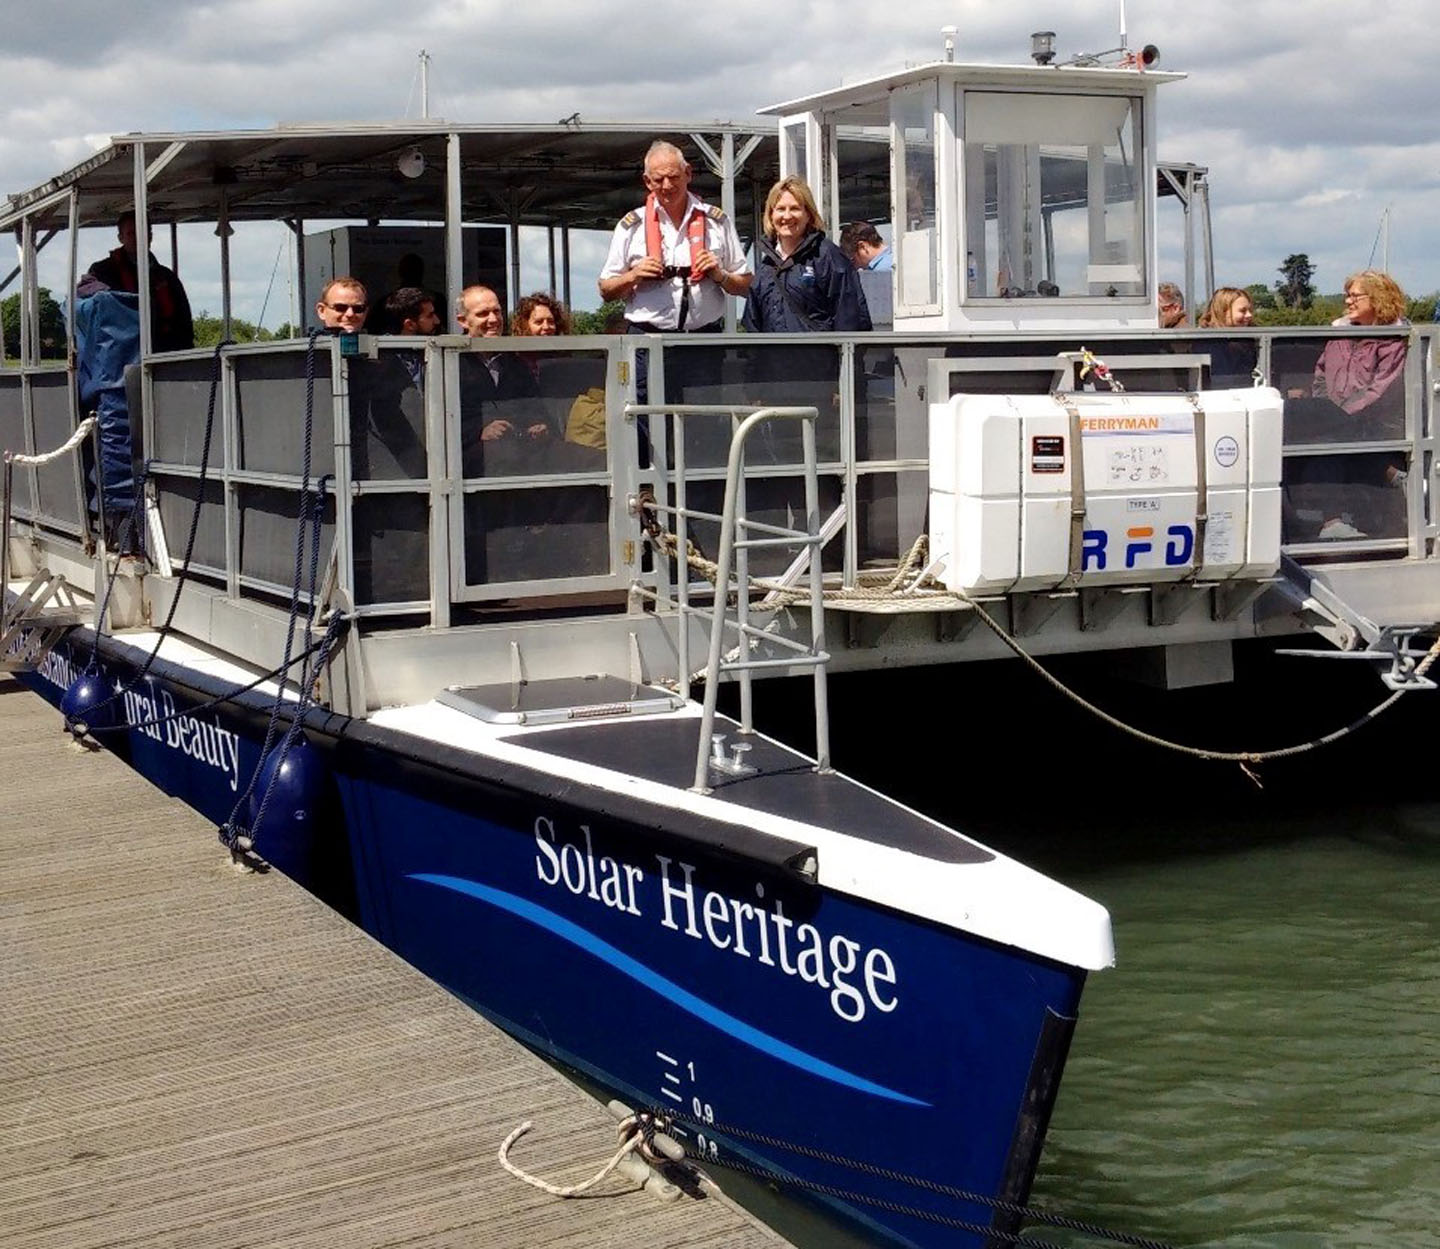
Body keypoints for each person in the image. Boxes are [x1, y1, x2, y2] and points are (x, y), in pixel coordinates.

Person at [1291, 270, 1410, 541]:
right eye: (1348, 295)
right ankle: (1327, 520)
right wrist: (1324, 407)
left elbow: (1382, 388)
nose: (1348, 302)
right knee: (1313, 438)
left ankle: (1336, 519)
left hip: (1376, 422)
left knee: (1329, 444)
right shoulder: (1340, 333)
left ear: (1377, 298)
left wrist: (1341, 415)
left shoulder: (1394, 339)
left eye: (1355, 296)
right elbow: (1321, 372)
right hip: (1335, 417)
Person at [598, 140, 751, 333]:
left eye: (673, 177)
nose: (667, 185)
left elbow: (746, 287)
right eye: (658, 179)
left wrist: (720, 275)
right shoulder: (631, 226)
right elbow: (606, 290)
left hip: (704, 339)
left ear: (688, 173)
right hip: (647, 338)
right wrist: (633, 276)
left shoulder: (717, 221)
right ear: (647, 181)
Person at [743, 177, 872, 334]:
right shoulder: (766, 267)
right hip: (774, 358)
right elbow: (753, 325)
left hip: (819, 358)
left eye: (795, 208)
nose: (787, 216)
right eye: (780, 209)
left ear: (808, 215)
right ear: (771, 215)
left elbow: (851, 319)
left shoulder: (828, 256)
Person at [454, 284, 544, 475]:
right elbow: (441, 421)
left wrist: (539, 424)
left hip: (524, 447)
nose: (493, 320)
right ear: (462, 321)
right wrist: (479, 431)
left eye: (497, 312)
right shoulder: (451, 364)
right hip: (472, 458)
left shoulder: (516, 363)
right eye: (483, 314)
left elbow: (535, 405)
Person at [80, 210, 194, 352]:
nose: (138, 238)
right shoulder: (102, 272)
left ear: (150, 236)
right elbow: (90, 318)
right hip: (119, 358)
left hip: (164, 353)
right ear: (120, 237)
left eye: (143, 232)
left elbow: (184, 321)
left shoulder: (167, 277)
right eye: (131, 233)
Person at [1196, 286, 1258, 386]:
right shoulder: (1202, 342)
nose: (1249, 315)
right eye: (1243, 311)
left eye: (1250, 310)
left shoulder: (1255, 340)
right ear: (1223, 311)